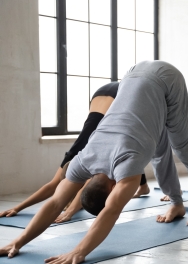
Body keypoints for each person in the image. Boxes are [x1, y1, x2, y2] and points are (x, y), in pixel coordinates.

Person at [0, 60, 188, 264]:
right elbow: (55, 203)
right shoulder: (82, 162)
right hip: (132, 74)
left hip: (166, 79)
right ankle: (177, 203)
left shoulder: (125, 169)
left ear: (113, 189)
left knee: (184, 147)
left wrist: (79, 251)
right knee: (157, 150)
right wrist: (17, 242)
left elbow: (111, 210)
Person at [0, 82, 150, 223]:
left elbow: (72, 187)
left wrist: (69, 212)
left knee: (129, 148)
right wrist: (17, 207)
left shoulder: (89, 159)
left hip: (115, 94)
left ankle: (145, 186)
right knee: (126, 150)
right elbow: (52, 186)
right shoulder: (75, 156)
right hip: (103, 94)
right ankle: (143, 187)